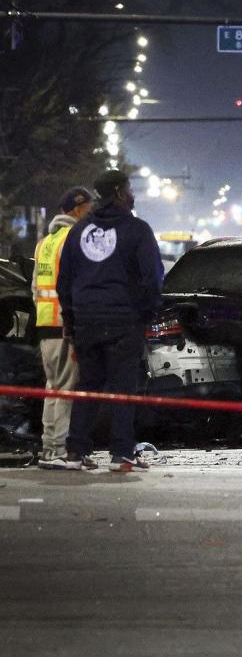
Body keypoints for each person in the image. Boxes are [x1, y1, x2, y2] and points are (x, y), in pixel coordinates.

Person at [58, 170, 163, 472]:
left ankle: (76, 451)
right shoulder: (137, 230)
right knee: (122, 387)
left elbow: (64, 280)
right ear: (118, 192)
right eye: (129, 189)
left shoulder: (79, 231)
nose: (133, 194)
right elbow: (152, 278)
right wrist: (146, 313)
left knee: (87, 386)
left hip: (86, 321)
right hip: (124, 321)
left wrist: (71, 318)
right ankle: (121, 453)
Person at [32, 186, 97, 469]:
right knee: (68, 390)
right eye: (88, 208)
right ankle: (61, 451)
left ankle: (49, 449)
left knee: (53, 387)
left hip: (46, 323)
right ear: (76, 209)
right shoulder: (73, 239)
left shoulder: (45, 242)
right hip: (65, 325)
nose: (91, 212)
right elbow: (77, 285)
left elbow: (35, 287)